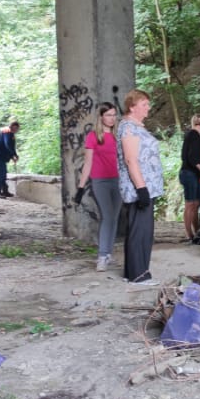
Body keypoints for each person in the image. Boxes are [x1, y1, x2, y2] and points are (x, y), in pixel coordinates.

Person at [116, 90, 164, 285]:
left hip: (144, 185)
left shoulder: (134, 127)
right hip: (139, 187)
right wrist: (141, 188)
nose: (148, 108)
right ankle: (138, 274)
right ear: (132, 107)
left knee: (141, 229)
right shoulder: (129, 128)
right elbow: (131, 159)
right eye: (144, 104)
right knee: (140, 230)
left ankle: (134, 272)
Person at [77, 103, 121, 273]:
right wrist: (81, 187)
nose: (112, 118)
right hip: (100, 181)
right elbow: (88, 163)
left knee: (114, 218)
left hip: (118, 181)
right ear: (101, 116)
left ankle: (108, 253)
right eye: (109, 115)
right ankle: (102, 256)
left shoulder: (119, 135)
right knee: (107, 216)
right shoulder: (93, 136)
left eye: (114, 115)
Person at [179, 114, 200, 244]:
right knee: (190, 204)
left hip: (191, 173)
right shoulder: (194, 136)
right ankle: (189, 234)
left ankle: (196, 231)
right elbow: (192, 157)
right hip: (189, 173)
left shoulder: (191, 135)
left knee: (195, 203)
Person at [0, 120, 20, 199]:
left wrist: (14, 155)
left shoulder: (8, 132)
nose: (16, 130)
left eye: (17, 129)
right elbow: (7, 144)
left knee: (3, 173)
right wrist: (13, 155)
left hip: (1, 155)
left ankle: (4, 190)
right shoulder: (7, 132)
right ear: (12, 127)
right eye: (15, 128)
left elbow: (9, 146)